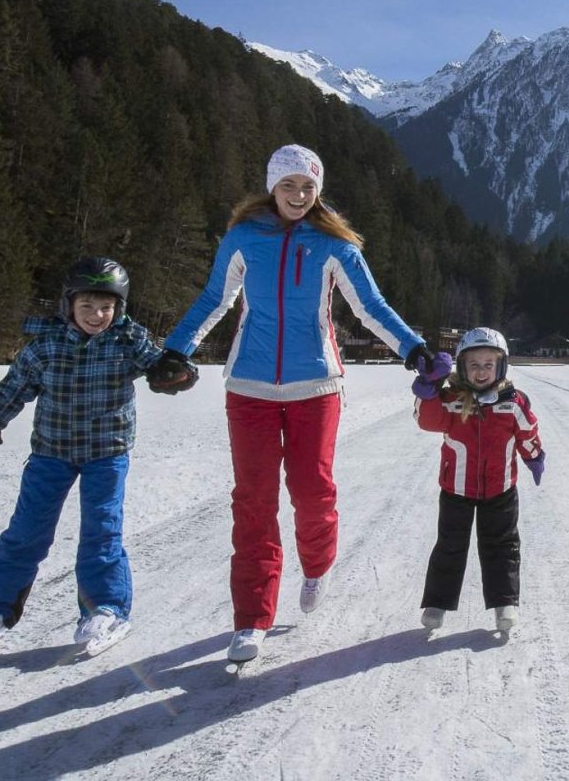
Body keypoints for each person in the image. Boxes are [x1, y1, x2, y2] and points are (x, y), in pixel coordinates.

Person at [153, 144, 440, 664]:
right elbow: (213, 299)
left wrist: (411, 347)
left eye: (308, 188)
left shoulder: (334, 245)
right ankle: (251, 620)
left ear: (318, 191)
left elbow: (369, 306)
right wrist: (176, 349)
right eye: (289, 186)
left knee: (312, 492)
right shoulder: (244, 238)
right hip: (250, 387)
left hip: (315, 387)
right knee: (254, 502)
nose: (299, 196)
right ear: (272, 187)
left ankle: (316, 564)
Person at [0, 257, 198, 657]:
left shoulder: (128, 340)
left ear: (119, 308)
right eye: (87, 306)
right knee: (25, 532)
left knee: (101, 531)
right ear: (68, 305)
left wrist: (178, 374)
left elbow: (164, 365)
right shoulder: (46, 345)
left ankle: (106, 609)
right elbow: (13, 389)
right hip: (52, 452)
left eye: (107, 307)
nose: (97, 316)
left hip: (107, 453)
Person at [412, 326, 544, 634]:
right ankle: (437, 602)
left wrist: (534, 457)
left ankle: (505, 603)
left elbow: (528, 432)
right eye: (474, 364)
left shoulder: (514, 402)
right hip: (456, 489)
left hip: (500, 489)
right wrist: (429, 389)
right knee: (450, 545)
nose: (481, 371)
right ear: (462, 367)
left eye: (488, 364)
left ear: (501, 366)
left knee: (502, 545)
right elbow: (426, 421)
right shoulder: (451, 400)